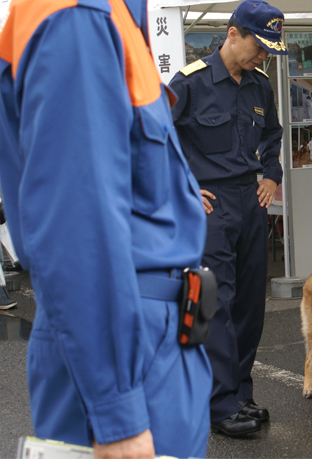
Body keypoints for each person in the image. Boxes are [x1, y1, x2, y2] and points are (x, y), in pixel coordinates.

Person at [0, 0, 212, 457]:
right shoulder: (81, 16)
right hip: (127, 341)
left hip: (144, 333)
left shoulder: (112, 16)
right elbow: (76, 231)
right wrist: (117, 414)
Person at [169, 0, 286, 438]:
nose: (264, 57)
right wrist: (178, 187)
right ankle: (216, 404)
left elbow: (273, 134)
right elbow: (153, 136)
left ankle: (238, 391)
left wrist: (272, 175)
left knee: (249, 304)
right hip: (209, 206)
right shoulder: (190, 82)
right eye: (260, 46)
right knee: (210, 302)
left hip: (251, 201)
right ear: (233, 34)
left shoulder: (259, 85)